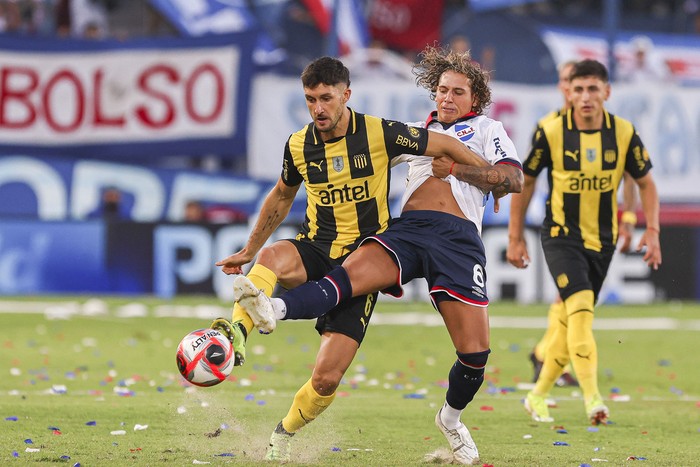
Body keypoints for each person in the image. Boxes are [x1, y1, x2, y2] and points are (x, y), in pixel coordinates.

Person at [233, 46, 523, 464]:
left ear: (474, 99)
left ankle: (451, 419)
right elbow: (358, 149)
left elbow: (511, 178)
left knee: (475, 355)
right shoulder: (412, 133)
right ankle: (272, 308)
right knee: (344, 281)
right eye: (441, 90)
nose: (447, 99)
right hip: (409, 230)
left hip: (458, 241)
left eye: (458, 92)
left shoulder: (487, 129)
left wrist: (463, 172)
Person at [506, 59, 662, 425]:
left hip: (602, 240)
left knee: (566, 321)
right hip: (561, 235)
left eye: (593, 88)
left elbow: (645, 182)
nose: (585, 96)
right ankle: (593, 399)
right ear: (568, 93)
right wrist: (515, 236)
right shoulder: (550, 131)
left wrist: (649, 229)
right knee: (579, 311)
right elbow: (525, 182)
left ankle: (538, 393)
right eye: (578, 89)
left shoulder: (623, 132)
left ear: (607, 92)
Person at [526, 61, 639, 388]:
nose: (574, 90)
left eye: (590, 87)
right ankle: (557, 365)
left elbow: (633, 176)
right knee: (573, 297)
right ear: (564, 87)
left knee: (570, 299)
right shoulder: (549, 127)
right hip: (561, 225)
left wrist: (628, 217)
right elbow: (532, 176)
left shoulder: (612, 130)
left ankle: (545, 353)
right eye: (567, 82)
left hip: (599, 230)